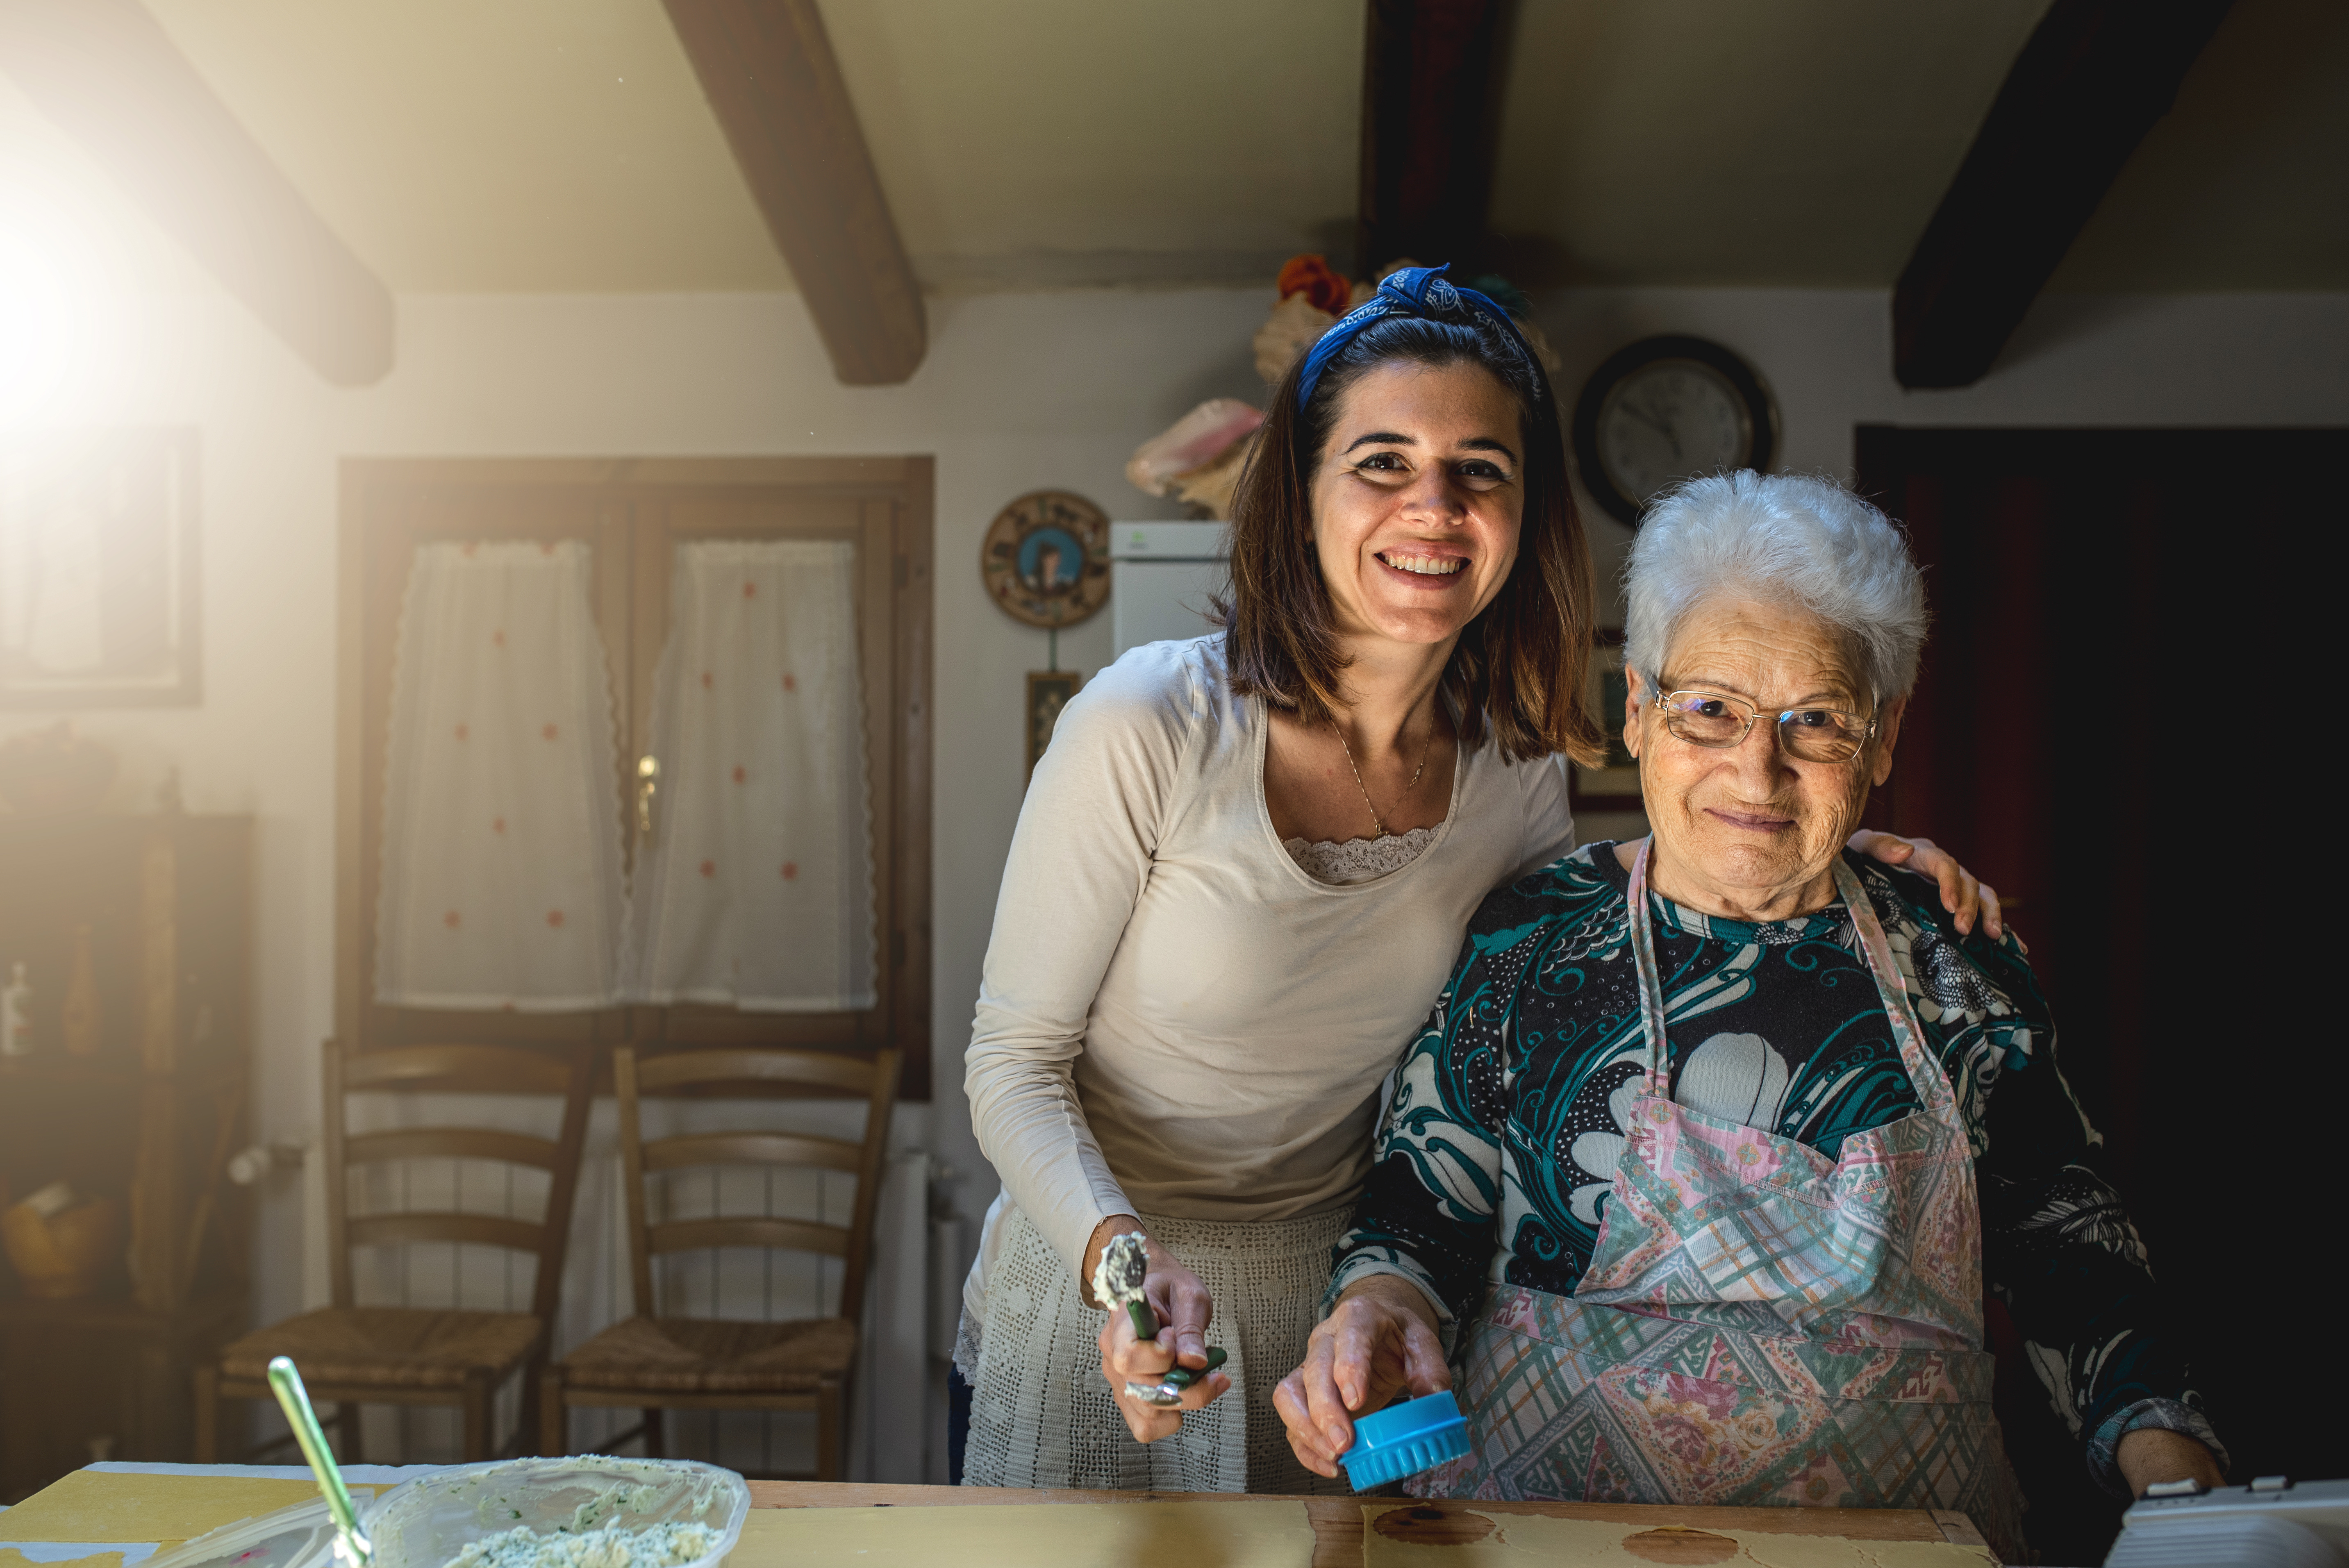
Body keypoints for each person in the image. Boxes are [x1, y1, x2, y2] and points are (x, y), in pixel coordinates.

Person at [958, 270, 2002, 1493]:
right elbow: (1011, 1060)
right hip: (1107, 1270)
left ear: (1523, 516)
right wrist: (1125, 1267)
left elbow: (1562, 948)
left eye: (1480, 471)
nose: (1434, 506)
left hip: (1337, 1314)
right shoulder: (1147, 720)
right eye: (1382, 462)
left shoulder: (1513, 768)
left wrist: (1823, 835)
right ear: (1299, 496)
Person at [1275, 472, 2223, 1554]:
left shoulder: (1953, 954)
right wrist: (1372, 1318)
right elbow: (1413, 1222)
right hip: (1548, 1540)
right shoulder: (1527, 935)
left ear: (1884, 735)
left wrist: (2176, 1482)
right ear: (1637, 708)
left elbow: (2070, 1249)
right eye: (1710, 709)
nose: (1755, 768)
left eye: (1815, 722)